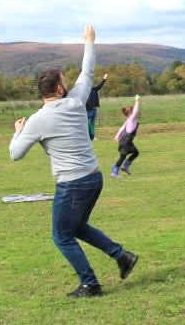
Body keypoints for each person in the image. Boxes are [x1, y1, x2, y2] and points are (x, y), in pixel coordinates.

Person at [9, 25, 138, 298]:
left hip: (72, 184)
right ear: (59, 88)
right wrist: (89, 42)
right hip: (94, 177)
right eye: (64, 82)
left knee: (62, 236)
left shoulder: (36, 120)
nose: (68, 84)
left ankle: (90, 284)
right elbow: (87, 72)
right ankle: (121, 255)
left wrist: (18, 132)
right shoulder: (77, 102)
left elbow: (15, 154)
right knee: (77, 228)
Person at [111, 95, 141, 178]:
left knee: (135, 153)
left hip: (125, 140)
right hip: (126, 140)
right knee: (122, 157)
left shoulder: (129, 120)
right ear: (130, 113)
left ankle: (125, 167)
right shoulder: (131, 119)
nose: (136, 113)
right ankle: (114, 172)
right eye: (133, 111)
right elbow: (136, 111)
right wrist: (137, 101)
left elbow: (121, 129)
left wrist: (117, 137)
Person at [86, 73, 108, 140]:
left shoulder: (94, 89)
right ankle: (86, 136)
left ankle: (93, 136)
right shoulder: (84, 91)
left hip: (94, 110)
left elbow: (100, 85)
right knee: (85, 124)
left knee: (92, 124)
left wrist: (104, 78)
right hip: (87, 111)